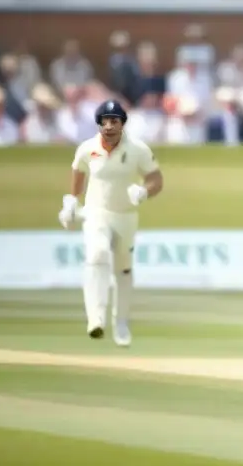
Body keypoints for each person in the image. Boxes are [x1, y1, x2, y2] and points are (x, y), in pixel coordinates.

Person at [58, 100, 164, 347]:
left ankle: (121, 322)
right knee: (97, 254)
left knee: (123, 269)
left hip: (126, 216)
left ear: (122, 123)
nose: (108, 126)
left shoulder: (138, 149)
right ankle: (95, 319)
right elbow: (78, 174)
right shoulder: (87, 148)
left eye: (114, 121)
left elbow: (157, 179)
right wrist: (71, 202)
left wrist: (144, 192)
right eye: (104, 121)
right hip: (96, 213)